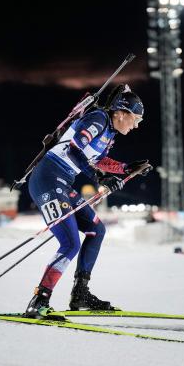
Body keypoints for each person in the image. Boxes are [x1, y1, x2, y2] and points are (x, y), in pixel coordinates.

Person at [24, 84, 150, 318]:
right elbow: (74, 149)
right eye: (136, 119)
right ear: (121, 113)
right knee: (70, 243)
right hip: (48, 179)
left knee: (96, 230)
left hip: (63, 183)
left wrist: (125, 168)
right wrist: (100, 177)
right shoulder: (98, 119)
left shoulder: (109, 133)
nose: (136, 125)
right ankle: (39, 301)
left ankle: (80, 293)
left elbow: (99, 160)